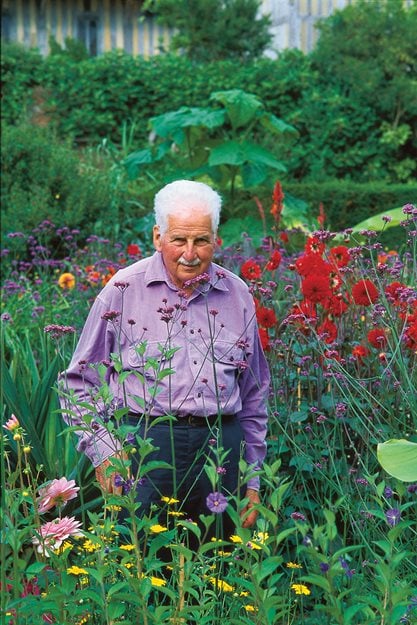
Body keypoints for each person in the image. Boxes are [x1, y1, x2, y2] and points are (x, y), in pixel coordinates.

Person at [59, 179, 270, 539]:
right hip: (144, 448)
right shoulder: (123, 290)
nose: (191, 252)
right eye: (179, 240)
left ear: (216, 238)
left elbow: (254, 395)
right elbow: (79, 381)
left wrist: (252, 480)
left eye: (202, 240)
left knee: (219, 570)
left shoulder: (237, 295)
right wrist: (105, 452)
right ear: (158, 237)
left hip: (221, 449)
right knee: (141, 565)